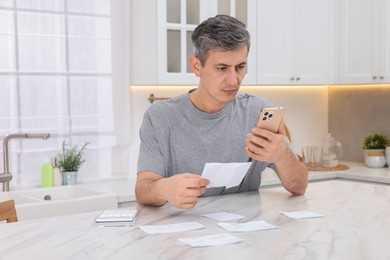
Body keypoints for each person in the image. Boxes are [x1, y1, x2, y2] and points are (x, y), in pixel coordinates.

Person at [136, 15, 308, 209]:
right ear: (196, 66)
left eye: (240, 67)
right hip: (182, 233)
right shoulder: (159, 117)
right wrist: (163, 189)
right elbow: (143, 188)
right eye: (222, 68)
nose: (234, 81)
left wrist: (282, 155)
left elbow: (299, 187)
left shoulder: (258, 111)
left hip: (247, 233)